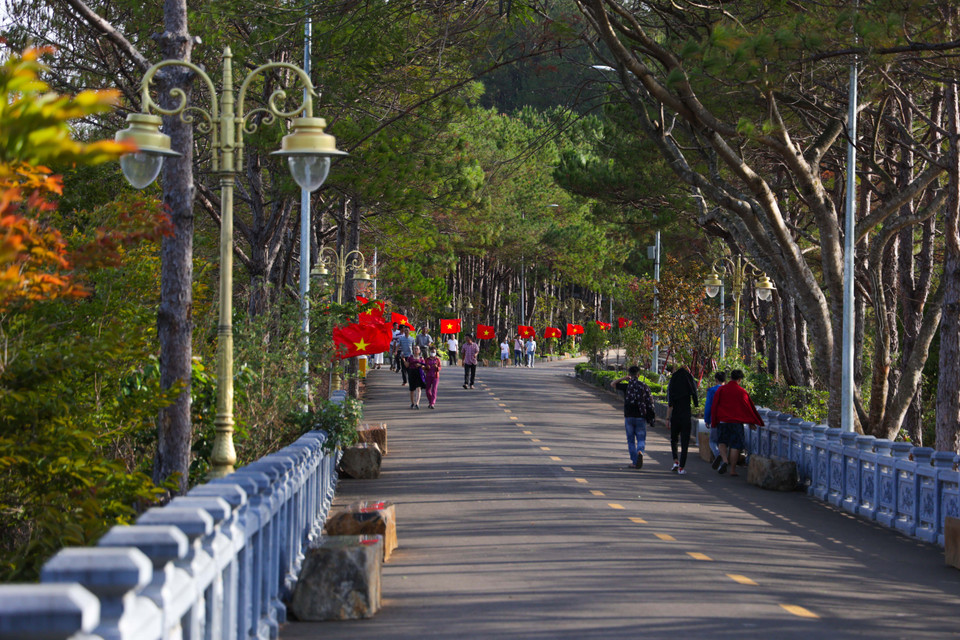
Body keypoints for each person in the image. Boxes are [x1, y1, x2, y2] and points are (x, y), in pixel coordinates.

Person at [711, 369, 764, 476]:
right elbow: (747, 408)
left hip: (723, 421)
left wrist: (714, 421)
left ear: (730, 378)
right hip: (736, 423)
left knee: (722, 442)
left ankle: (724, 460)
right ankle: (732, 470)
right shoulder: (742, 392)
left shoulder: (721, 389)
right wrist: (751, 421)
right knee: (735, 446)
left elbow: (714, 405)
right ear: (739, 380)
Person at [610, 366, 655, 469]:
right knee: (641, 438)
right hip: (641, 416)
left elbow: (612, 384)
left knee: (630, 440)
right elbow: (650, 402)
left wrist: (623, 378)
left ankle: (634, 462)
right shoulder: (644, 386)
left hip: (629, 417)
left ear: (629, 375)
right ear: (638, 375)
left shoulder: (627, 386)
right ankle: (640, 451)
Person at [665, 362, 699, 475]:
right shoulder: (689, 381)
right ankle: (681, 467)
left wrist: (667, 418)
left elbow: (670, 403)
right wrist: (696, 403)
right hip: (686, 415)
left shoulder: (673, 382)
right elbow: (695, 392)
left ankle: (675, 461)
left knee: (674, 439)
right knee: (685, 442)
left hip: (675, 415)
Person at [703, 371, 726, 470]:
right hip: (727, 420)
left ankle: (718, 456)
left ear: (716, 380)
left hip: (715, 419)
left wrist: (707, 419)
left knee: (712, 441)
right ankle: (724, 460)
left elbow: (708, 406)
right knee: (723, 442)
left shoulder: (712, 390)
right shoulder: (727, 390)